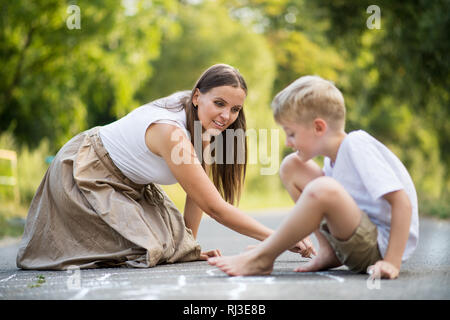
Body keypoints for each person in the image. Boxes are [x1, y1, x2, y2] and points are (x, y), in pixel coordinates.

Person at [16, 64, 315, 270]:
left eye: (235, 109)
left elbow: (199, 197)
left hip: (129, 187)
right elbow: (215, 207)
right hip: (85, 174)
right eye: (219, 103)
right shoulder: (173, 133)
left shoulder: (204, 127)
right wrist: (279, 238)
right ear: (197, 96)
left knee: (173, 245)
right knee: (153, 249)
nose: (227, 116)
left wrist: (190, 248)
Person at [208, 75, 419, 280]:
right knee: (291, 166)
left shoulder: (356, 145)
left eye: (291, 133)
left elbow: (402, 202)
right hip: (355, 239)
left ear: (318, 127)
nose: (288, 142)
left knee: (324, 189)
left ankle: (263, 258)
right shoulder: (332, 160)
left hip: (378, 249)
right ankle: (328, 253)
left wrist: (392, 261)